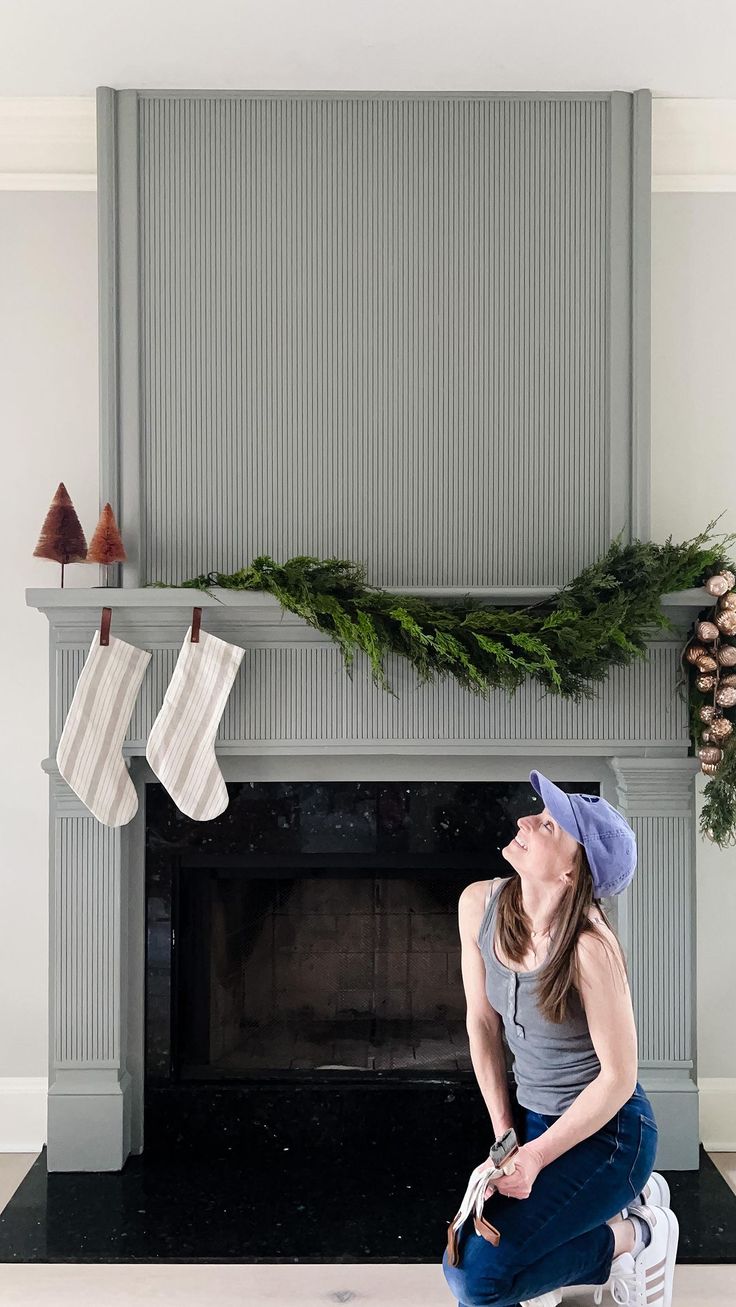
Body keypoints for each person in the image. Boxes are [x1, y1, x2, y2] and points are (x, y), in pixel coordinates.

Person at [441, 770, 680, 1307]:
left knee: (478, 1283)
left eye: (547, 824)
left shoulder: (591, 948)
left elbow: (619, 1079)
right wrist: (508, 1142)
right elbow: (482, 1023)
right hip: (532, 1120)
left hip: (608, 1134)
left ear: (573, 871)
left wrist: (538, 1156)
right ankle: (589, 1230)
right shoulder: (479, 905)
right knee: (465, 1262)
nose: (525, 820)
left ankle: (636, 1236)